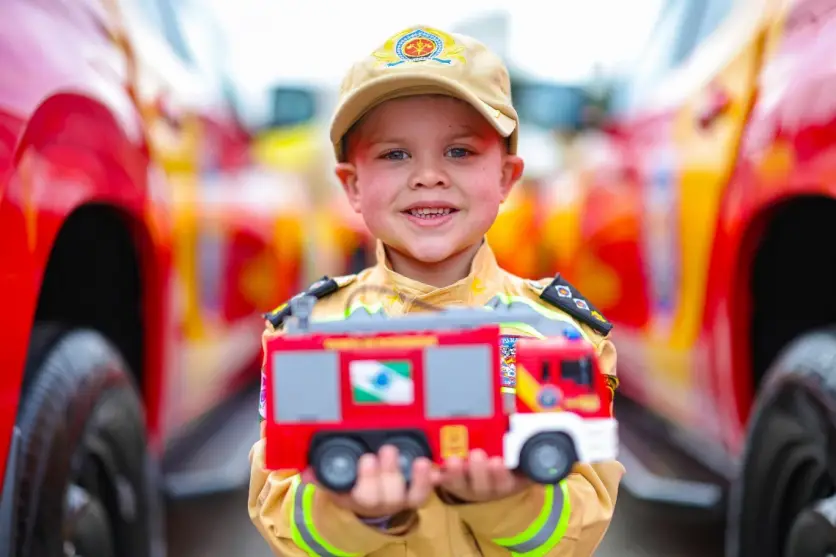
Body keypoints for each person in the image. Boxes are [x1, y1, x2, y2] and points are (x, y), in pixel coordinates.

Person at [248, 24, 623, 557]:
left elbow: (584, 521)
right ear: (353, 185)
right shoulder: (306, 333)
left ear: (506, 178)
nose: (428, 175)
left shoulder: (562, 335)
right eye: (395, 155)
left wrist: (510, 503)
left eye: (461, 151)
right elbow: (279, 514)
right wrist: (362, 512)